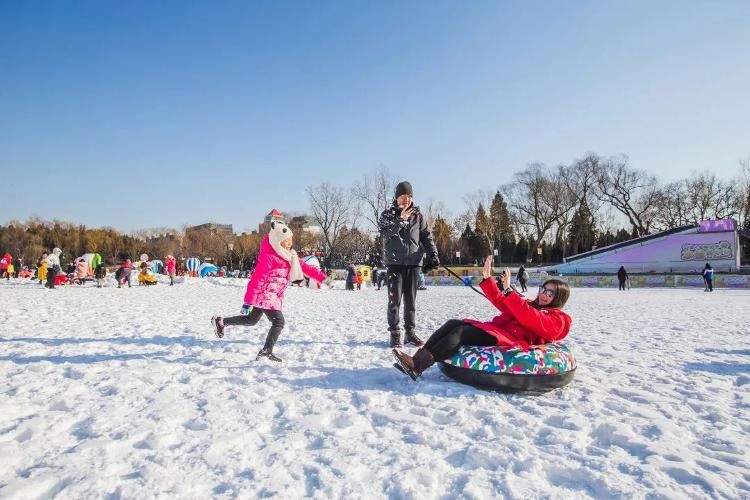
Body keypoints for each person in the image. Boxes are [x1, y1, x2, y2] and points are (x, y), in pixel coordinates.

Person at [393, 255, 572, 381]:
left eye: (550, 293)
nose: (544, 295)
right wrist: (488, 280)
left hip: (510, 339)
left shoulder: (559, 320)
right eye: (544, 290)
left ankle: (417, 366)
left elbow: (530, 318)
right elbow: (504, 304)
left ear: (559, 297)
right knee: (454, 323)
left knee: (462, 332)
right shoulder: (532, 305)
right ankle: (414, 360)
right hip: (500, 331)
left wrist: (510, 291)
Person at [211, 221, 331, 362]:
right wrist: (248, 301)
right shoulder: (269, 257)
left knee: (251, 320)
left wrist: (323, 279)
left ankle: (221, 322)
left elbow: (307, 268)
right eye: (286, 240)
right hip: (266, 296)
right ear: (277, 241)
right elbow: (257, 279)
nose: (290, 243)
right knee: (278, 322)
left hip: (272, 296)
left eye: (291, 240)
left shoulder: (290, 256)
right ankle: (266, 351)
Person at [379, 181, 440, 348]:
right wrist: (400, 220)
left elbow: (427, 236)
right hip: (395, 264)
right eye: (404, 196)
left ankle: (410, 334)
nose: (407, 199)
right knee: (395, 300)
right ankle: (395, 334)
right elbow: (385, 235)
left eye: (410, 196)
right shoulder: (387, 215)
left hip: (414, 264)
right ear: (397, 197)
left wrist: (433, 253)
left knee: (411, 301)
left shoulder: (418, 216)